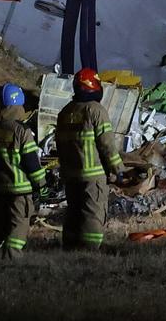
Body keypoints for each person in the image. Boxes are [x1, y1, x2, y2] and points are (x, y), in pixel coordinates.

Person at [55, 68, 123, 249]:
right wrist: (118, 169)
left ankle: (69, 247)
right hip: (93, 176)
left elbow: (59, 145)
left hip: (71, 174)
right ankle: (89, 251)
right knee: (92, 214)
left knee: (73, 212)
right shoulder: (96, 110)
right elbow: (106, 144)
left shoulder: (65, 112)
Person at [0, 82, 45, 260]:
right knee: (17, 229)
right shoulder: (21, 131)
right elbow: (31, 164)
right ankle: (10, 260)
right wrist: (41, 186)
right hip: (19, 192)